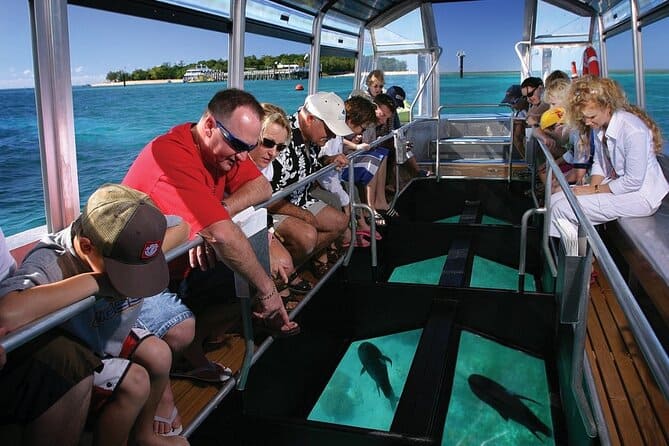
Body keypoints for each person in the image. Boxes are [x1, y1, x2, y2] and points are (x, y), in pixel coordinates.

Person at [123, 89, 299, 381]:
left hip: (182, 268)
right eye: (238, 146)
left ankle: (197, 344)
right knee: (251, 289)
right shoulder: (169, 157)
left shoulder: (222, 152)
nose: (244, 157)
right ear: (208, 126)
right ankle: (175, 361)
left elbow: (261, 188)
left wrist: (217, 211)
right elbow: (221, 235)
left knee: (251, 275)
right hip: (142, 279)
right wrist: (268, 293)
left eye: (250, 147)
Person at [0, 184, 190, 445]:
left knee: (159, 354)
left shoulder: (135, 234)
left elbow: (182, 227)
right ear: (87, 247)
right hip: (79, 343)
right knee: (136, 383)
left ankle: (144, 435)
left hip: (105, 330)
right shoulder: (51, 260)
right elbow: (8, 312)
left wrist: (142, 260)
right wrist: (99, 282)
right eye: (124, 270)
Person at [549, 76, 669, 237]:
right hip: (620, 187)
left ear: (608, 107)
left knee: (563, 208)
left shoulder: (632, 130)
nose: (587, 122)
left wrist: (594, 190)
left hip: (641, 196)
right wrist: (590, 190)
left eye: (591, 117)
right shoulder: (599, 126)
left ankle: (575, 258)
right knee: (557, 197)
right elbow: (600, 163)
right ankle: (575, 253)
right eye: (583, 118)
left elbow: (633, 181)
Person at [268, 92, 350, 278]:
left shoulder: (312, 137)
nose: (332, 135)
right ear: (311, 118)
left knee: (340, 223)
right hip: (272, 208)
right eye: (329, 129)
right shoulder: (280, 138)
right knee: (307, 236)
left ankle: (292, 269)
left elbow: (308, 163)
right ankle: (279, 277)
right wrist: (302, 215)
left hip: (300, 199)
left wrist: (328, 159)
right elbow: (266, 196)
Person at [248, 103, 313, 309]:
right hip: (234, 230)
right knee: (281, 264)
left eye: (280, 147)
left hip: (256, 223)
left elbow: (259, 210)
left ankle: (274, 297)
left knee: (284, 262)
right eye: (267, 143)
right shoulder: (236, 165)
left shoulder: (267, 170)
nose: (273, 153)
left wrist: (268, 235)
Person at [318, 95, 378, 245]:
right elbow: (326, 178)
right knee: (339, 199)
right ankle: (346, 236)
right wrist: (345, 200)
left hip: (330, 179)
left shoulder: (337, 134)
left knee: (353, 190)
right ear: (351, 121)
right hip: (319, 183)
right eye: (362, 128)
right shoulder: (329, 138)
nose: (362, 133)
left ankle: (359, 226)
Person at [501, 84, 531, 159]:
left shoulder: (534, 111)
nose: (512, 106)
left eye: (513, 102)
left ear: (524, 98)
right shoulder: (519, 112)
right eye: (509, 103)